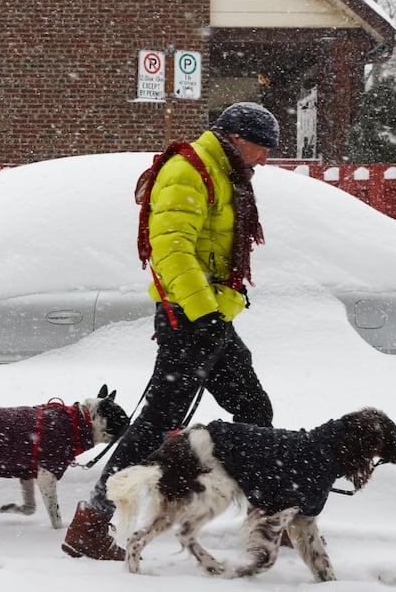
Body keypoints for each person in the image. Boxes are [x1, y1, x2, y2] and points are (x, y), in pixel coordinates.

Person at [61, 102, 280, 560]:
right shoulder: (188, 170)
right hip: (189, 320)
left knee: (254, 409)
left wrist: (216, 313)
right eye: (261, 149)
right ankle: (93, 519)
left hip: (211, 318)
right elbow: (172, 251)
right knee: (158, 425)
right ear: (237, 139)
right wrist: (203, 314)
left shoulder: (225, 174)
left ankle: (265, 516)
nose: (264, 159)